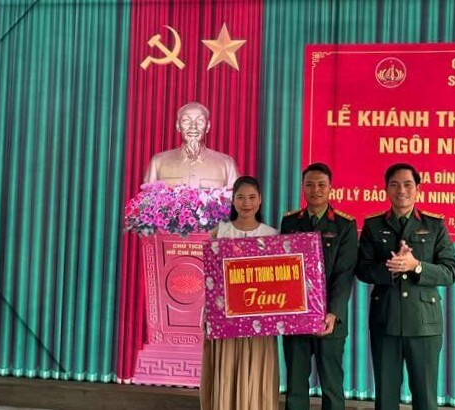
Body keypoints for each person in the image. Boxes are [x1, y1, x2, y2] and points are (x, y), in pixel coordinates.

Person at [356, 163, 455, 410]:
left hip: (424, 324)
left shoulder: (434, 225)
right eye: (394, 185)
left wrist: (416, 266)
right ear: (386, 190)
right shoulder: (373, 225)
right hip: (386, 321)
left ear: (418, 189)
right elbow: (362, 269)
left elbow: (449, 272)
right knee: (386, 399)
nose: (401, 190)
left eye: (407, 184)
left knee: (425, 399)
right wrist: (390, 268)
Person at [280, 162, 358, 410]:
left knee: (332, 387)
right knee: (295, 387)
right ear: (302, 187)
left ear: (330, 188)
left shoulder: (344, 225)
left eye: (321, 185)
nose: (315, 190)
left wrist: (332, 313)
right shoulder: (290, 222)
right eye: (310, 185)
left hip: (329, 320)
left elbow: (345, 274)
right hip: (296, 316)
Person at [200, 176, 279, 410]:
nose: (247, 203)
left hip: (261, 320)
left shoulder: (273, 235)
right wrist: (208, 314)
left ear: (260, 200)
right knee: (226, 371)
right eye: (241, 198)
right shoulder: (219, 233)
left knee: (256, 373)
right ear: (233, 201)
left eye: (252, 197)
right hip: (225, 319)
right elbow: (210, 279)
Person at [144, 102, 239, 188]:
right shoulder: (158, 163)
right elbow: (148, 199)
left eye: (200, 121)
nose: (193, 126)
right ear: (178, 126)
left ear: (207, 126)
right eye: (186, 121)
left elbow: (236, 199)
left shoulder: (227, 164)